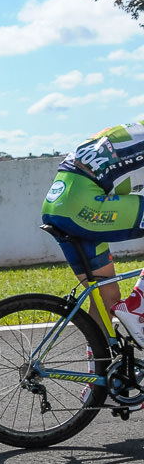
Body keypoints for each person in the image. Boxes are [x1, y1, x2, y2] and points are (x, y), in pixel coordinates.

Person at [42, 121, 144, 343]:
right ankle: (138, 307)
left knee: (106, 298)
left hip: (57, 204)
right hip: (83, 204)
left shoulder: (134, 131)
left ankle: (99, 372)